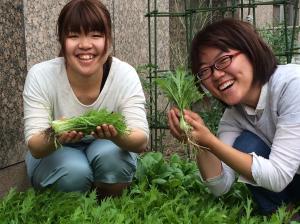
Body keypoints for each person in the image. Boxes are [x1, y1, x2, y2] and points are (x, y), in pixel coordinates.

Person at [168, 18, 300, 216]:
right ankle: (285, 215)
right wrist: (200, 143)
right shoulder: (233, 116)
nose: (217, 75)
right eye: (205, 71)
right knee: (246, 144)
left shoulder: (291, 85)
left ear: (251, 52)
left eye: (223, 60)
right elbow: (220, 185)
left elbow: (278, 175)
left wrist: (211, 141)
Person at [23, 0, 149, 198]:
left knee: (112, 156)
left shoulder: (124, 74)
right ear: (62, 41)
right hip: (55, 152)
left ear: (108, 41)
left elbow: (141, 139)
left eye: (96, 35)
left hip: (105, 146)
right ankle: (73, 208)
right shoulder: (41, 75)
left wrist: (115, 135)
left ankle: (107, 206)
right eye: (74, 36)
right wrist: (56, 135)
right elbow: (35, 146)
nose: (85, 45)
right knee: (75, 172)